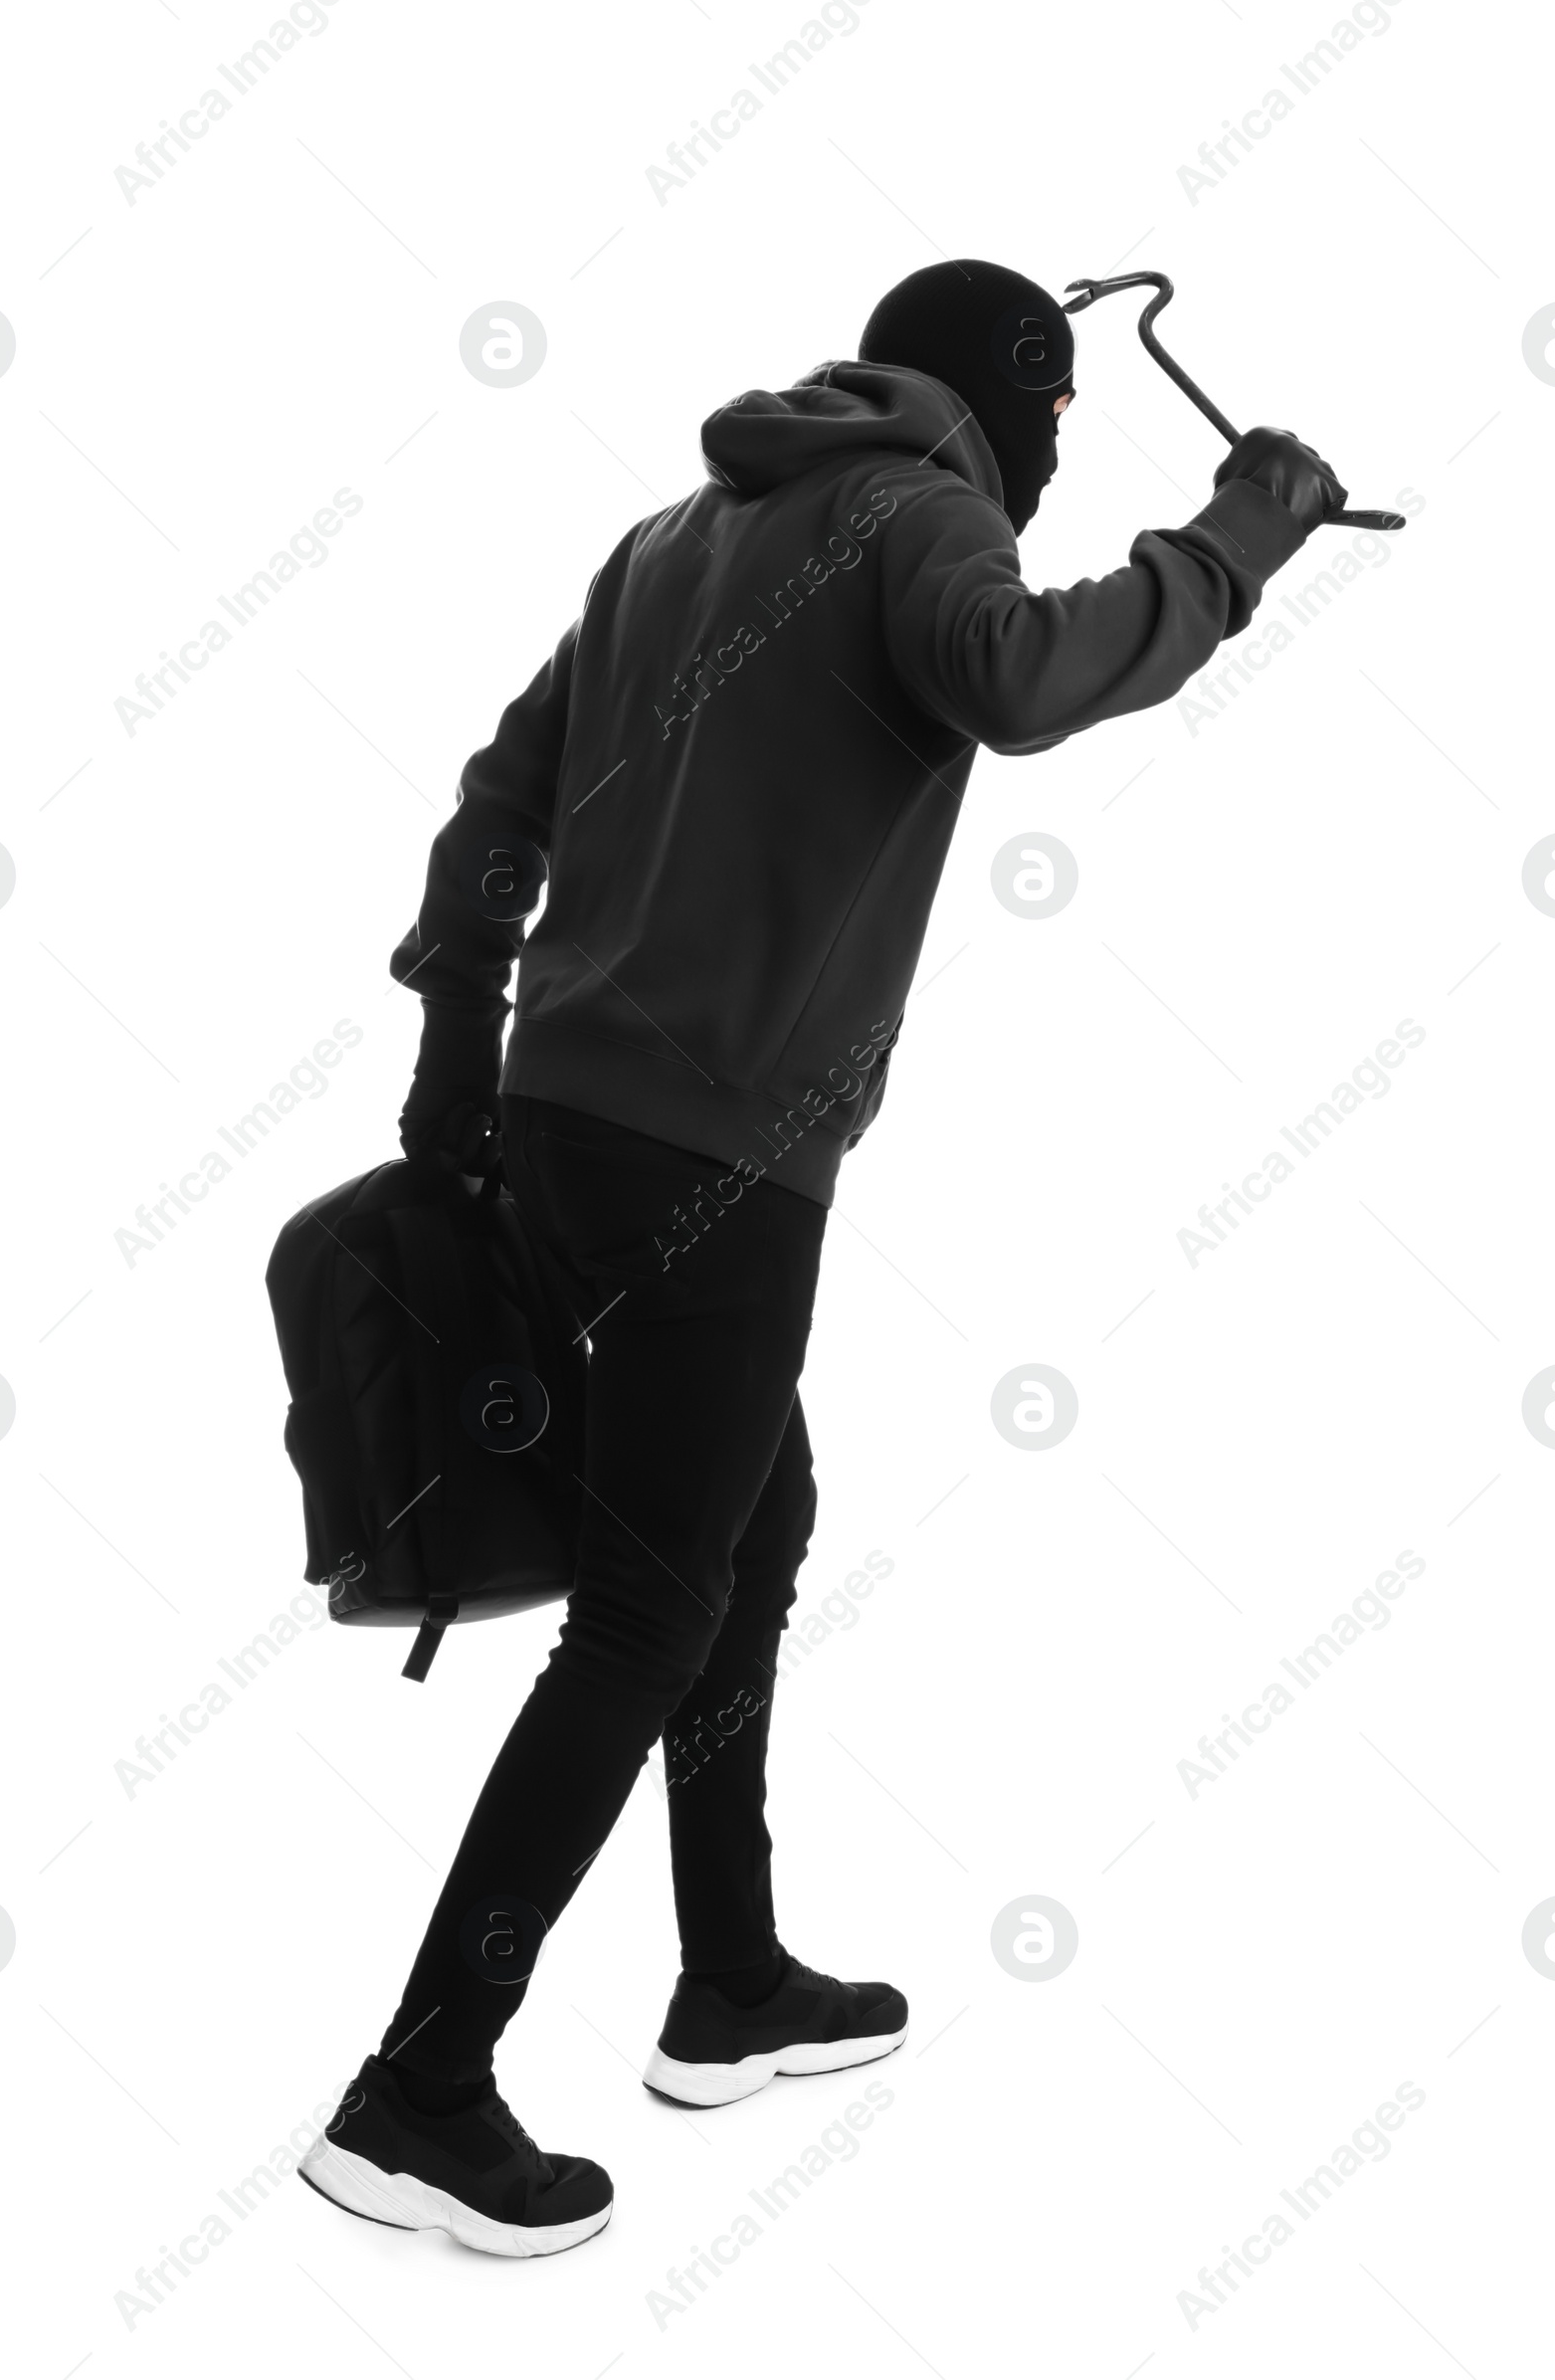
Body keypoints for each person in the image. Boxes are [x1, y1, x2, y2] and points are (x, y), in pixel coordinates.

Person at [298, 259, 1345, 2256]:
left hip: (567, 1117)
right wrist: (1232, 542)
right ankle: (417, 2085)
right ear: (1007, 400)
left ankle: (724, 1975)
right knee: (644, 1608)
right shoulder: (920, 505)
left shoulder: (670, 534)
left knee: (754, 1512)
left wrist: (459, 1047)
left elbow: (498, 802)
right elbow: (1021, 680)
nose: (1049, 463)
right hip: (714, 1153)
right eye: (1051, 422)